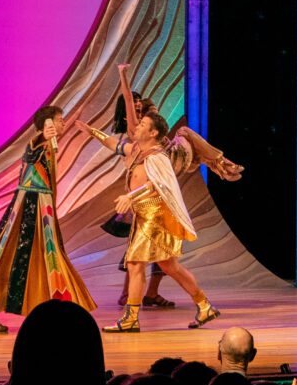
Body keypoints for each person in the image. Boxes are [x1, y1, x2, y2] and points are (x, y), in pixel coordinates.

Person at [105, 65, 243, 308]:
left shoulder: (154, 141)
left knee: (153, 257)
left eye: (142, 105)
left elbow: (158, 179)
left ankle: (218, 163)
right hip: (146, 198)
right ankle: (137, 300)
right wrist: (123, 75)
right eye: (136, 107)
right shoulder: (135, 134)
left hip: (162, 185)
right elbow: (124, 110)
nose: (137, 107)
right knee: (143, 256)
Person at [77, 106, 219, 332]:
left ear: (153, 133)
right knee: (169, 266)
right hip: (146, 215)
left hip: (155, 216)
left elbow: (158, 187)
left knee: (136, 264)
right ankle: (204, 306)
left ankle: (131, 318)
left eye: (142, 125)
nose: (137, 127)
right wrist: (92, 131)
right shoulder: (137, 151)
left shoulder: (158, 157)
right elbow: (113, 144)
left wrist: (130, 196)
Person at [0, 105, 96, 332]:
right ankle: (59, 315)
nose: (62, 123)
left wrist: (74, 119)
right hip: (33, 207)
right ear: (47, 125)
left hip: (34, 205)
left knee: (13, 257)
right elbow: (34, 149)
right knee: (47, 257)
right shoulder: (38, 143)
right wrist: (43, 134)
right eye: (59, 120)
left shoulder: (48, 144)